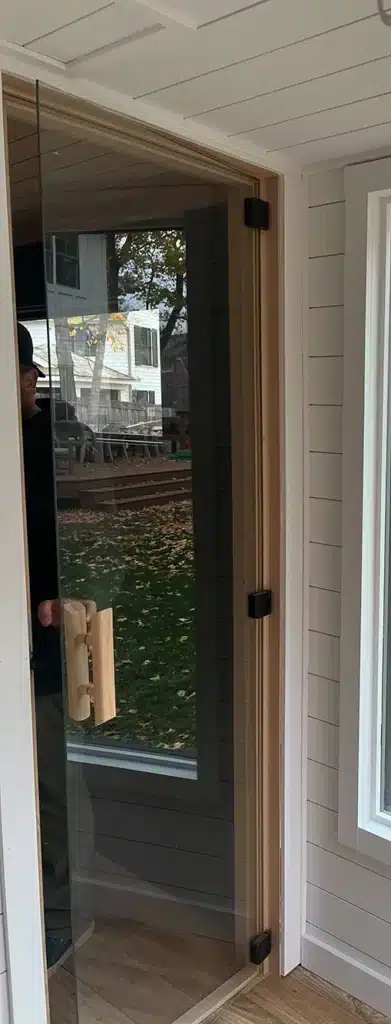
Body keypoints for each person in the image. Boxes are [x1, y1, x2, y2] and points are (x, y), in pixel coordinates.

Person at [18, 322, 73, 972]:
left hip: (44, 650)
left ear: (31, 377)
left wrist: (67, 598)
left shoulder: (57, 445)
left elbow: (100, 536)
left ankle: (55, 922)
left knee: (51, 787)